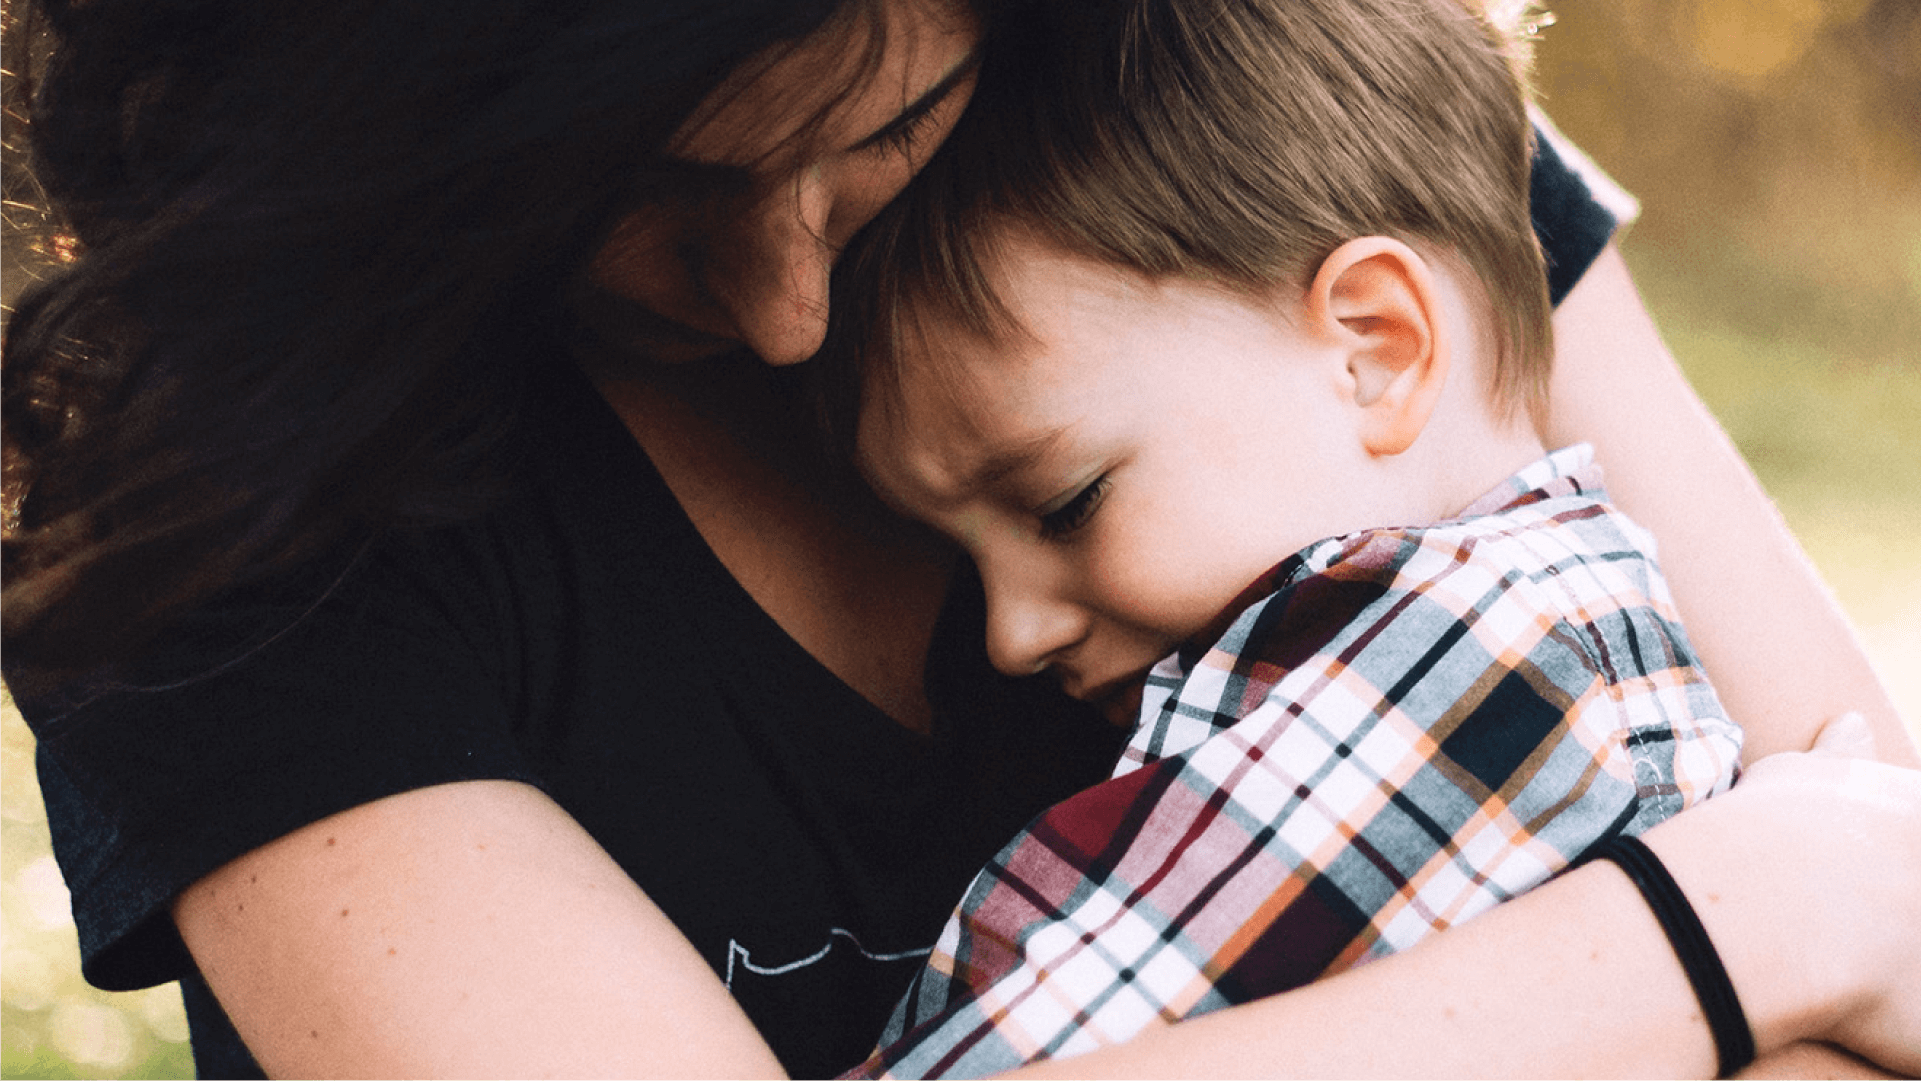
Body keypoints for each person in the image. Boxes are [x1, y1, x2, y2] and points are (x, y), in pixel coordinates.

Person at [0, 0, 1916, 1078]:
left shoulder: (1278, 124)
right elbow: (1859, 889)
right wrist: (1737, 924)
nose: (782, 311)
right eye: (638, 191)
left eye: (881, 129)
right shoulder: (222, 500)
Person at [816, 1, 1746, 1073]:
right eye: (963, 561)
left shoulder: (1463, 664)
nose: (1009, 634)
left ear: (1375, 349)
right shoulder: (1547, 625)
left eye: (1067, 503)